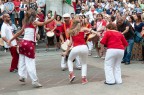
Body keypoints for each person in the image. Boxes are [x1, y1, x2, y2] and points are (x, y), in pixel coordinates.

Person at [8, 9, 56, 88]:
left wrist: (11, 40)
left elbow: (18, 33)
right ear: (34, 16)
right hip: (29, 44)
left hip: (22, 43)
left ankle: (22, 76)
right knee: (30, 63)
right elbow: (43, 23)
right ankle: (34, 81)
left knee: (22, 61)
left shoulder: (25, 23)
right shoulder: (34, 22)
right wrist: (53, 18)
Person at [62, 19, 97, 85]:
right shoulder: (83, 28)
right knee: (84, 63)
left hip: (75, 48)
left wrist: (66, 52)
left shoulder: (71, 31)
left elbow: (70, 44)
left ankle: (71, 74)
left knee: (69, 60)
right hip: (84, 47)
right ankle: (83, 79)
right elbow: (91, 30)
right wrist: (97, 33)